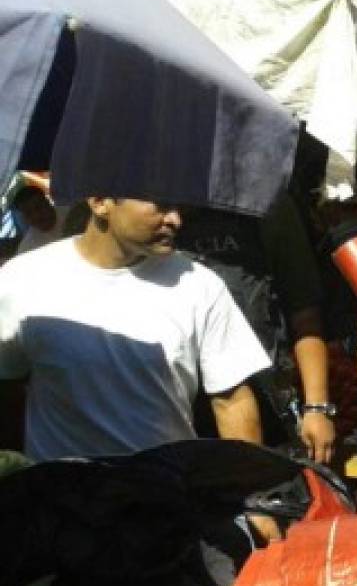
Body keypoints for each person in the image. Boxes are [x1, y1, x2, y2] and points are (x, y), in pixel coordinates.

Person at [0, 196, 270, 462]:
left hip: (165, 491)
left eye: (177, 206)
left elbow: (232, 399)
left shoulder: (200, 285)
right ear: (100, 203)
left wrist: (248, 490)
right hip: (62, 496)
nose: (176, 220)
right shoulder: (22, 279)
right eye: (161, 205)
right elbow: (8, 387)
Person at [175, 194, 336, 464]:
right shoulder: (146, 206)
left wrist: (317, 407)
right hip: (175, 410)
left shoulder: (265, 199)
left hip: (264, 399)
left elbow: (304, 310)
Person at [12, 185, 64, 255]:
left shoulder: (75, 214)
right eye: (28, 213)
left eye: (38, 207)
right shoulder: (26, 250)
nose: (36, 216)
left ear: (47, 202)